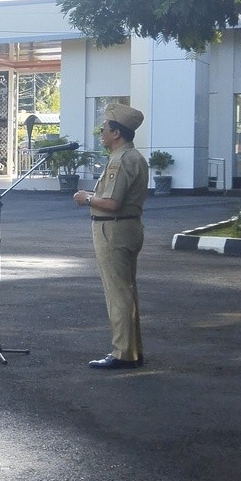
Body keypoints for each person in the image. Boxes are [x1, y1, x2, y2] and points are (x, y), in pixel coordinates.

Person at [72, 103, 148, 370]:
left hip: (113, 229)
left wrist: (86, 198)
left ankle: (123, 353)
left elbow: (112, 202)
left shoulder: (121, 160)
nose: (101, 132)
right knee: (126, 290)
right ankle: (132, 350)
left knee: (118, 293)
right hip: (126, 227)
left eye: (104, 128)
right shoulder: (134, 157)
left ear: (116, 133)